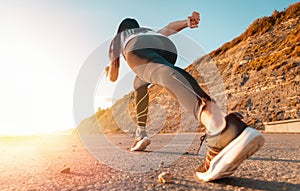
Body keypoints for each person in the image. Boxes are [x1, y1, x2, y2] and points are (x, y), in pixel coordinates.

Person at [105, 12, 265, 182]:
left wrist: (108, 71)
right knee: (140, 83)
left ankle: (221, 127)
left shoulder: (123, 40)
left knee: (159, 71)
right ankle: (141, 133)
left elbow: (113, 76)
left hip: (137, 48)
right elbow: (169, 27)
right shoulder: (147, 31)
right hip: (165, 47)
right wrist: (188, 22)